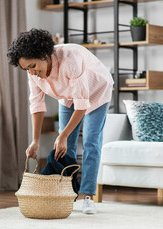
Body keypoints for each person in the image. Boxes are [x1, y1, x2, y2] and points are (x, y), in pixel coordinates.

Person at [7, 28, 113, 214]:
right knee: (64, 148)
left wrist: (62, 135)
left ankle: (88, 196)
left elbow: (82, 105)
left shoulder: (70, 59)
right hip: (68, 96)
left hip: (97, 91)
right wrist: (36, 141)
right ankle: (66, 193)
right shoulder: (32, 73)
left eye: (33, 66)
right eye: (27, 69)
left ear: (45, 55)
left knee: (90, 142)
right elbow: (37, 104)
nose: (31, 72)